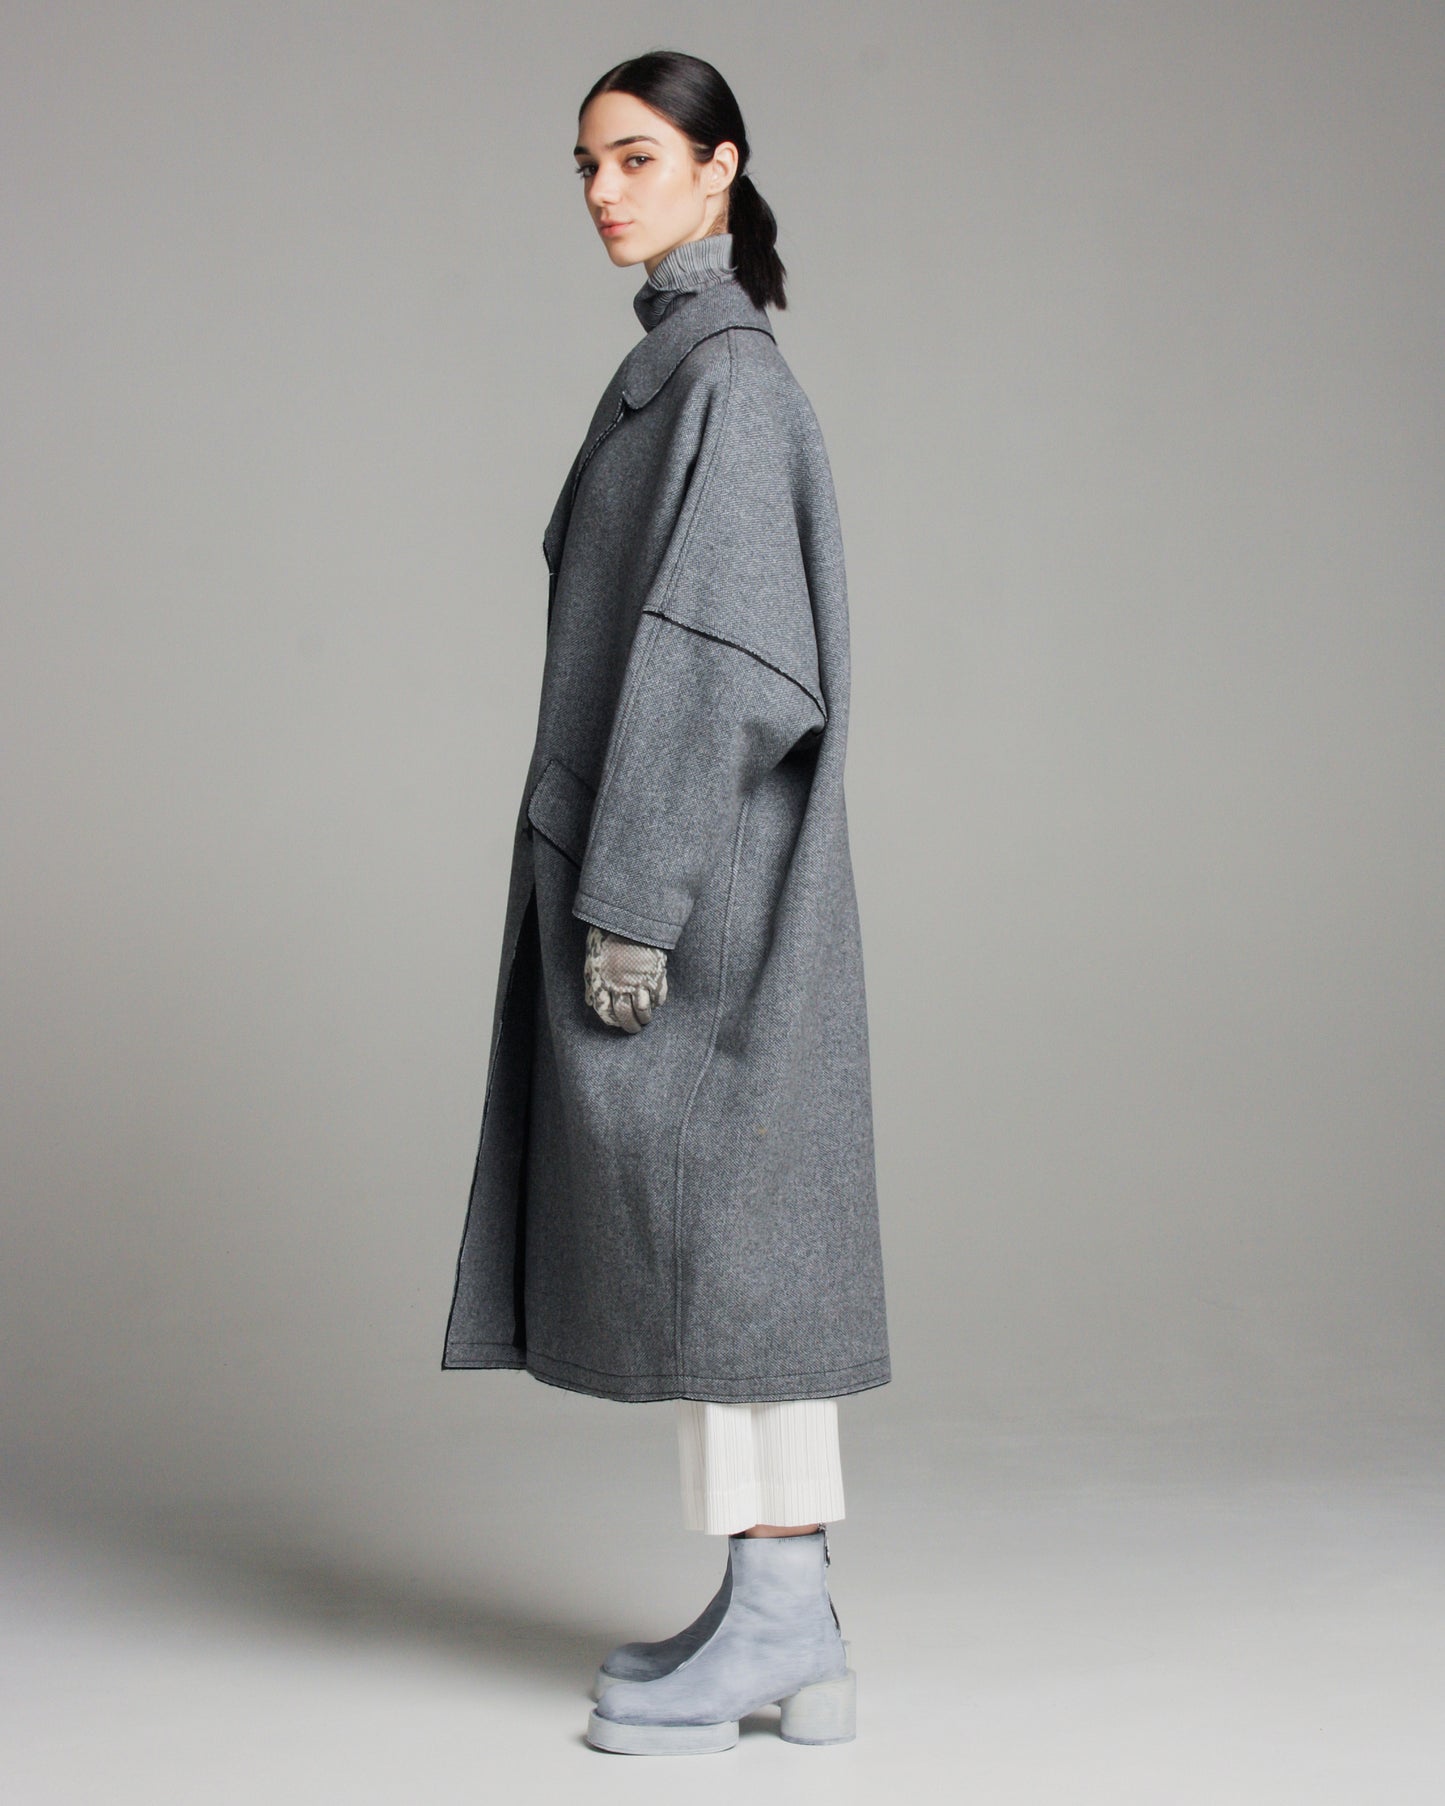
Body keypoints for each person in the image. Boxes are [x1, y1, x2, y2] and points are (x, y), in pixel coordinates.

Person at [440, 49, 891, 1756]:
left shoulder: (727, 382)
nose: (603, 191)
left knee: (732, 1259)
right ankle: (780, 1610)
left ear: (721, 167)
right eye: (585, 164)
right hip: (692, 882)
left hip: (701, 901)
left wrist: (630, 900)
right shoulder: (687, 368)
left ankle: (781, 1611)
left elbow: (727, 668)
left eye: (637, 157)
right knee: (726, 1257)